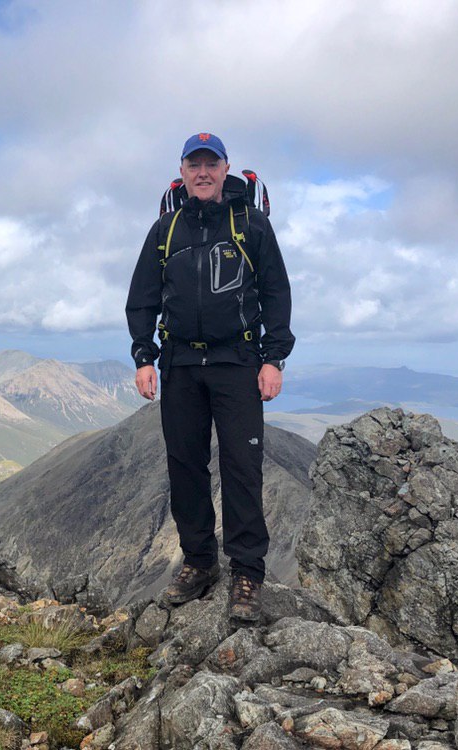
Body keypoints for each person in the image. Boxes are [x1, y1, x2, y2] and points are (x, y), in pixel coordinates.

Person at [125, 132, 295, 621]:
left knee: (243, 468)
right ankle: (200, 563)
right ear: (181, 171)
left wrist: (273, 358)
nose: (202, 172)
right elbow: (143, 297)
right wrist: (143, 356)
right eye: (193, 164)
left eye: (211, 163)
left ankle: (246, 573)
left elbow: (276, 293)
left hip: (238, 362)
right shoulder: (166, 229)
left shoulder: (251, 224)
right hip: (179, 364)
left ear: (226, 169)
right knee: (185, 467)